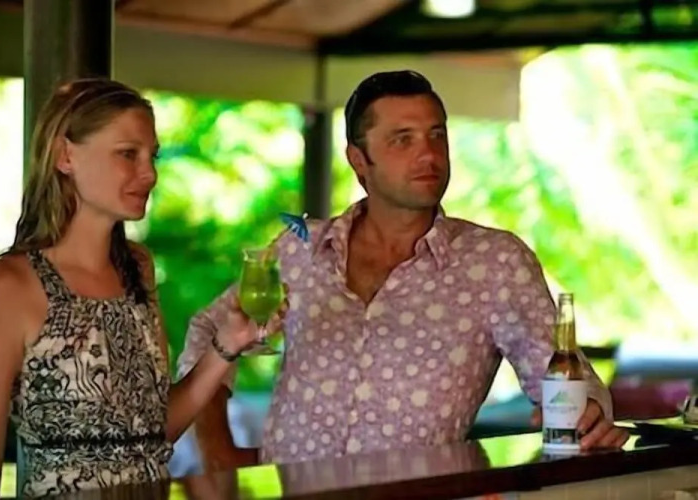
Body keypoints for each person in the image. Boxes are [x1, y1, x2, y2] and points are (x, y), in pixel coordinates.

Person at [177, 70, 629, 469]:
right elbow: (209, 331)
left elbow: (569, 382)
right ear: (359, 161)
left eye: (437, 135)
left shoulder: (494, 262)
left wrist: (587, 412)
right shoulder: (299, 249)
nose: (428, 154)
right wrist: (218, 453)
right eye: (403, 139)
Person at [0, 78, 284, 498]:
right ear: (65, 156)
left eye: (153, 156)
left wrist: (227, 345)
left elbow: (153, 431)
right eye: (128, 154)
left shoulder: (138, 268)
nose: (150, 174)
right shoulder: (8, 286)